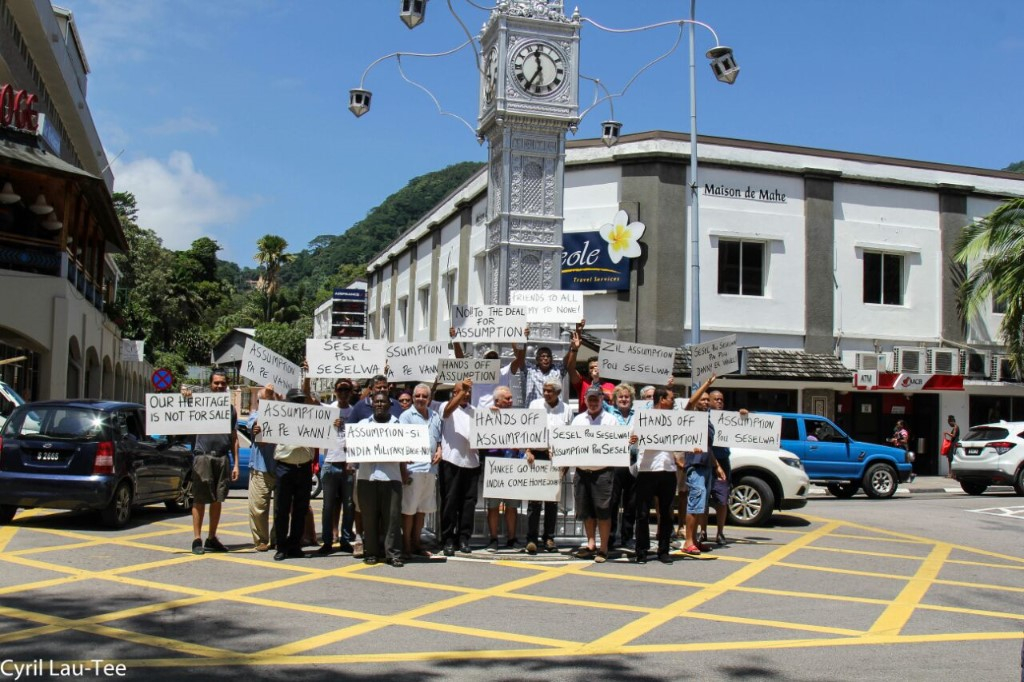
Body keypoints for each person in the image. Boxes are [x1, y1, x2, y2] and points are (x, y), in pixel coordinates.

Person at [185, 369, 239, 555]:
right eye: (216, 383)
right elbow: (181, 410)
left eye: (223, 383)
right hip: (203, 456)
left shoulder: (231, 410)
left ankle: (211, 538)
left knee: (218, 499)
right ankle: (197, 539)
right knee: (199, 498)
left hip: (222, 457)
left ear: (227, 384)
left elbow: (234, 437)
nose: (219, 386)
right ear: (210, 384)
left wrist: (237, 463)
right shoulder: (198, 404)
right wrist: (185, 396)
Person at [568, 385, 619, 563]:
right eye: (590, 399)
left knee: (603, 511)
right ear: (585, 400)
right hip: (582, 472)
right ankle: (591, 544)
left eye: (596, 398)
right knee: (586, 511)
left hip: (603, 472)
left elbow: (617, 444)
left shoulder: (611, 421)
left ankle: (603, 548)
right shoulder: (578, 420)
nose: (593, 402)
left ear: (602, 399)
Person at [357, 391, 408, 567]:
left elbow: (407, 450)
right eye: (376, 402)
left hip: (391, 477)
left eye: (383, 402)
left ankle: (392, 554)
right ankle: (370, 552)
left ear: (389, 405)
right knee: (369, 518)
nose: (379, 405)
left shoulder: (398, 426)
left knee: (392, 519)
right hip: (367, 477)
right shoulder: (362, 425)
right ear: (372, 404)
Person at [634, 386, 683, 564]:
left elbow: (684, 438)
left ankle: (664, 550)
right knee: (643, 513)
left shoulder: (675, 419)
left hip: (668, 470)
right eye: (671, 398)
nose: (673, 402)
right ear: (662, 399)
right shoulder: (642, 417)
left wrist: (693, 446)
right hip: (647, 469)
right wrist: (633, 438)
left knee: (667, 513)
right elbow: (633, 437)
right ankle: (641, 550)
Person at [680, 374, 727, 557]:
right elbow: (690, 402)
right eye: (704, 399)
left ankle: (697, 540)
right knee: (695, 502)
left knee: (702, 505)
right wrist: (707, 383)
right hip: (695, 466)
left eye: (708, 400)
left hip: (707, 465)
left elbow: (709, 447)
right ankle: (688, 541)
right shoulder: (691, 415)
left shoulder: (707, 421)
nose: (706, 402)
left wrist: (717, 466)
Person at [525, 379, 573, 554]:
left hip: (556, 457)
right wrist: (528, 450)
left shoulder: (567, 410)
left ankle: (549, 537)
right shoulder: (535, 405)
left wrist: (565, 462)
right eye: (544, 390)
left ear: (558, 393)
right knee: (534, 500)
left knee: (552, 501)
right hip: (537, 455)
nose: (546, 394)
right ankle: (531, 538)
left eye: (549, 391)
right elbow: (528, 429)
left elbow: (568, 435)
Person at [272, 384, 318, 561]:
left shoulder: (311, 418)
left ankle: (295, 544)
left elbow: (326, 425)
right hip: (285, 466)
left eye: (301, 400)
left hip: (304, 467)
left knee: (301, 509)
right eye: (295, 401)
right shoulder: (279, 417)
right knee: (281, 509)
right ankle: (281, 546)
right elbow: (263, 428)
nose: (299, 403)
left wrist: (333, 424)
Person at [399, 383, 443, 558]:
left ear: (429, 399)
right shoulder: (406, 416)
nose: (420, 399)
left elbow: (438, 440)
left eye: (424, 396)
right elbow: (401, 443)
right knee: (409, 509)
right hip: (413, 469)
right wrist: (403, 469)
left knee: (422, 509)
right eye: (417, 396)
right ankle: (407, 545)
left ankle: (417, 543)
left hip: (430, 469)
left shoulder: (435, 416)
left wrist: (439, 451)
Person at [702, 388, 747, 545]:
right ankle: (703, 531)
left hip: (723, 461)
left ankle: (720, 532)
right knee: (704, 498)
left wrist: (744, 415)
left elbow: (749, 428)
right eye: (716, 399)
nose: (719, 402)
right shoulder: (703, 416)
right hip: (705, 462)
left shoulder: (729, 417)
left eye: (721, 399)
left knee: (722, 499)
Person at [439, 379, 479, 556]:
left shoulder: (476, 412)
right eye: (462, 391)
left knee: (468, 503)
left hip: (472, 462)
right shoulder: (445, 407)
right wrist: (463, 390)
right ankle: (448, 538)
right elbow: (447, 411)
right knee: (450, 502)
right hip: (452, 461)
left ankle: (464, 537)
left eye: (469, 392)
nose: (467, 394)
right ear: (454, 393)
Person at [317, 378, 356, 555]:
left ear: (351, 392)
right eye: (340, 389)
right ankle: (327, 541)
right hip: (330, 463)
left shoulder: (355, 412)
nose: (343, 393)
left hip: (348, 465)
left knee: (348, 506)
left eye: (347, 389)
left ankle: (345, 540)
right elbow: (309, 404)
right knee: (328, 506)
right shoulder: (328, 410)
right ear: (335, 391)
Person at [483, 385, 523, 551]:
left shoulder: (518, 417)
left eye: (511, 398)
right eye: (507, 398)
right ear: (497, 401)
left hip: (512, 463)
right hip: (494, 463)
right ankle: (493, 539)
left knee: (512, 506)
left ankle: (512, 538)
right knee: (493, 506)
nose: (510, 401)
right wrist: (489, 414)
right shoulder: (487, 415)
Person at [450, 327, 523, 408]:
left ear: (499, 362)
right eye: (489, 359)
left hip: (498, 416)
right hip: (478, 417)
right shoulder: (475, 375)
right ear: (483, 363)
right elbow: (461, 361)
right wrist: (455, 339)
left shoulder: (503, 373)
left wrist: (522, 340)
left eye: (494, 359)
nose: (491, 362)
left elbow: (519, 360)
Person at [247, 383, 280, 552]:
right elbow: (254, 429)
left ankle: (276, 538)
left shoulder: (283, 415)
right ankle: (261, 539)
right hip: (261, 468)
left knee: (281, 507)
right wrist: (267, 400)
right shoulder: (255, 416)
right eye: (265, 400)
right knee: (258, 506)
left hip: (281, 467)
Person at [606, 383, 639, 553]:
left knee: (631, 502)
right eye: (621, 397)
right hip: (615, 462)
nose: (624, 399)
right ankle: (610, 537)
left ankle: (627, 537)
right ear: (615, 400)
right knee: (613, 501)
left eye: (627, 397)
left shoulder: (638, 416)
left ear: (631, 399)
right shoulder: (609, 414)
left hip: (633, 461)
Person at [566, 320, 614, 411]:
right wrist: (574, 349)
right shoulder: (583, 383)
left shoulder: (611, 386)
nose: (595, 369)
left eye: (597, 366)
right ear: (588, 371)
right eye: (591, 367)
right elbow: (570, 369)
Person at [524, 336, 575, 406]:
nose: (545, 358)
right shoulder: (530, 370)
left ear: (552, 359)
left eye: (548, 356)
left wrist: (572, 348)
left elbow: (567, 360)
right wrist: (522, 340)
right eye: (543, 356)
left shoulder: (558, 370)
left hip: (554, 411)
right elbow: (519, 357)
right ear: (537, 359)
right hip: (535, 412)